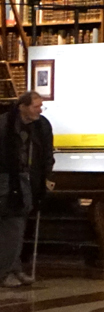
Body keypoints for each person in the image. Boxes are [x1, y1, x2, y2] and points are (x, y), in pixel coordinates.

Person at [0, 92, 53, 288]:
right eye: (35, 106)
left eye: (41, 107)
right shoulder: (5, 124)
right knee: (11, 226)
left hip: (28, 180)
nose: (39, 110)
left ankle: (14, 268)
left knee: (17, 227)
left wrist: (47, 176)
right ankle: (6, 272)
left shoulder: (42, 125)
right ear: (22, 106)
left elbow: (47, 153)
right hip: (7, 180)